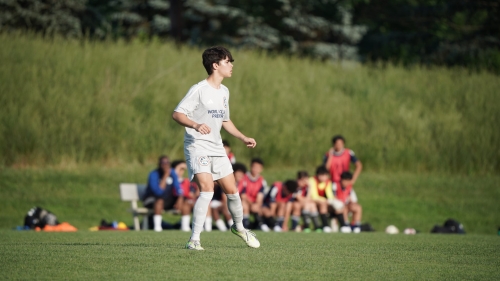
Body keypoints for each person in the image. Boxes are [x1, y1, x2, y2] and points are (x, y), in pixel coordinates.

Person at [172, 46, 260, 250]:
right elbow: (177, 114)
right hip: (197, 146)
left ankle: (239, 228)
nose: (231, 65)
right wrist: (194, 125)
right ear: (215, 65)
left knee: (232, 191)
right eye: (228, 61)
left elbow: (225, 120)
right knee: (207, 189)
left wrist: (242, 136)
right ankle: (194, 240)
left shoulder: (224, 92)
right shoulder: (199, 90)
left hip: (217, 147)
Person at [143, 156, 183, 232]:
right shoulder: (153, 174)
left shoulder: (173, 173)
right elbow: (159, 192)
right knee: (159, 201)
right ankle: (157, 227)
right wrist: (165, 175)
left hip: (165, 200)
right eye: (163, 163)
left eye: (167, 163)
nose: (165, 165)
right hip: (151, 200)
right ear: (159, 164)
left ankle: (185, 226)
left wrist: (180, 198)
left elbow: (178, 188)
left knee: (185, 201)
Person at [238, 158, 267, 230]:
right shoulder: (244, 178)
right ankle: (244, 226)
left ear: (261, 169)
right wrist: (252, 204)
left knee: (264, 210)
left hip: (255, 204)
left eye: (258, 168)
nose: (256, 169)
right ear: (251, 166)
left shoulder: (262, 181)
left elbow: (260, 197)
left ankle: (261, 225)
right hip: (246, 202)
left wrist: (257, 205)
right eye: (254, 167)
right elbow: (243, 195)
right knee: (244, 205)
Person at [171, 160, 199, 232]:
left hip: (186, 200)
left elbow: (189, 192)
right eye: (180, 168)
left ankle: (202, 226)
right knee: (187, 203)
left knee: (191, 203)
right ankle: (185, 225)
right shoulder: (170, 179)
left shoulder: (186, 180)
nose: (182, 171)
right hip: (172, 201)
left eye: (184, 169)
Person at [308, 166, 334, 233]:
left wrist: (330, 200)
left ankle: (344, 225)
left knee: (340, 207)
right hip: (312, 201)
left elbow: (329, 194)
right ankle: (325, 225)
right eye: (322, 175)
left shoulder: (328, 182)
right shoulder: (312, 180)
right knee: (322, 204)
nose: (324, 177)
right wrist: (324, 200)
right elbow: (314, 196)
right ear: (318, 175)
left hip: (322, 202)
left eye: (325, 175)